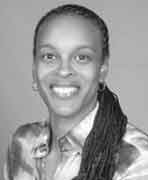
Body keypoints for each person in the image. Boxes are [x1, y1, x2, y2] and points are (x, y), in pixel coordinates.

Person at [4, 3, 148, 180]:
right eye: (49, 56)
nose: (64, 70)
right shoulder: (22, 143)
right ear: (34, 70)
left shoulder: (138, 161)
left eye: (82, 57)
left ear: (102, 69)